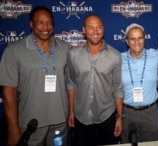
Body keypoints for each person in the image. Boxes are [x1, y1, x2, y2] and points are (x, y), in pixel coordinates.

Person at [0, 6, 69, 146]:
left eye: (49, 22)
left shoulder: (65, 48)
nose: (46, 27)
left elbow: (71, 84)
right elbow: (9, 93)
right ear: (31, 24)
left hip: (60, 122)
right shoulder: (14, 51)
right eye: (40, 22)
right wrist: (13, 128)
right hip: (31, 124)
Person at [66, 14, 124, 146]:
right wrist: (71, 111)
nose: (95, 32)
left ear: (103, 29)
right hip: (81, 115)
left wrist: (120, 117)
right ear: (84, 31)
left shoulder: (114, 56)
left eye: (99, 27)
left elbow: (117, 88)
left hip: (106, 114)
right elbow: (71, 83)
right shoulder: (73, 54)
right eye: (91, 28)